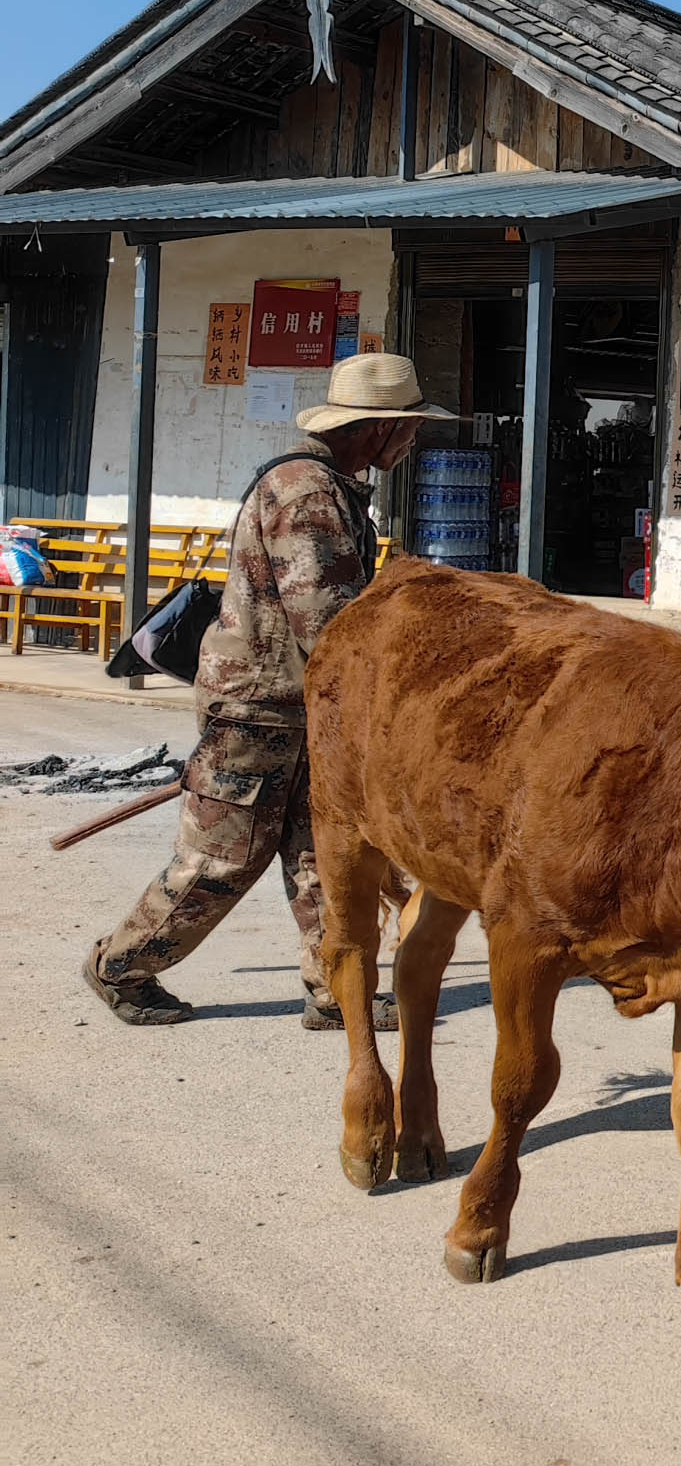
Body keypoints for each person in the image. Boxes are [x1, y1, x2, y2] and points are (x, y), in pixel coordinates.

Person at [81, 351, 447, 1029]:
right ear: (375, 429)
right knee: (222, 860)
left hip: (305, 707)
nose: (415, 440)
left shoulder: (329, 485)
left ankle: (336, 986)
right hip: (260, 708)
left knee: (323, 854)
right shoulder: (308, 494)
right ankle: (121, 965)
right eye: (409, 428)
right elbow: (329, 623)